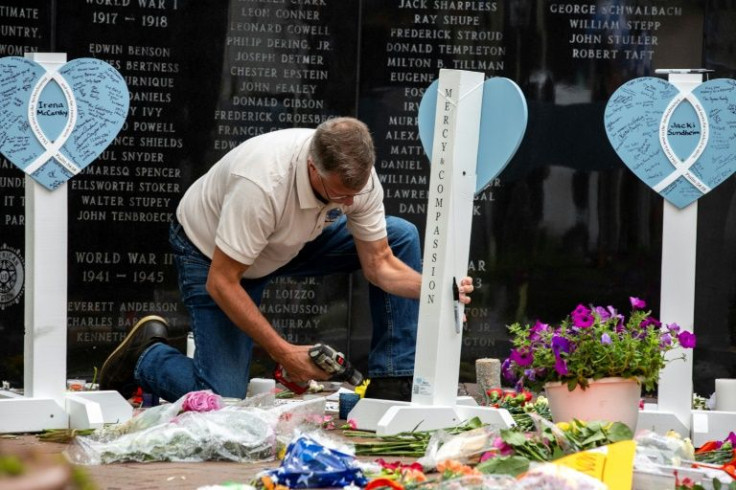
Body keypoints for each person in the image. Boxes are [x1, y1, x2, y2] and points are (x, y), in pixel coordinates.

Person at [100, 117, 473, 402]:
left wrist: (437, 290)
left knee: (400, 234)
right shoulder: (262, 184)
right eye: (340, 195)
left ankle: (395, 379)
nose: (348, 204)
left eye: (354, 194)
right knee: (222, 397)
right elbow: (222, 282)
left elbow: (379, 263)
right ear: (314, 167)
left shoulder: (356, 182)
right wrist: (284, 352)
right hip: (214, 256)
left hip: (291, 240)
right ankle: (144, 356)